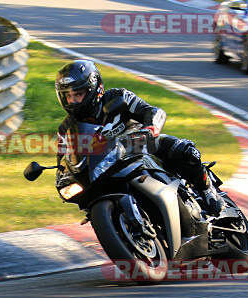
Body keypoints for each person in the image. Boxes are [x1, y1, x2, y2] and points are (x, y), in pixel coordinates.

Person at [54, 59, 225, 215]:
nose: (73, 101)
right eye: (68, 96)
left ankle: (206, 190)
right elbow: (64, 161)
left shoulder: (118, 96)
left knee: (184, 150)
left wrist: (150, 129)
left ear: (94, 89)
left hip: (140, 145)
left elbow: (153, 111)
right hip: (105, 167)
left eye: (78, 94)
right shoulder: (66, 128)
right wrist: (63, 176)